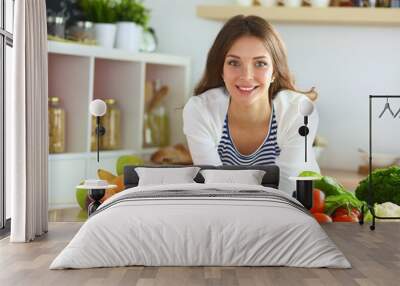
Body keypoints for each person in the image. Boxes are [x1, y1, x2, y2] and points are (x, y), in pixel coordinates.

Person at [183, 15, 320, 195]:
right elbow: (213, 187)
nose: (246, 76)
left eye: (260, 63)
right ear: (221, 70)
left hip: (291, 210)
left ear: (274, 72)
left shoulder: (299, 111)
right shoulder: (200, 110)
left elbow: (288, 190)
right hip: (227, 212)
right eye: (234, 63)